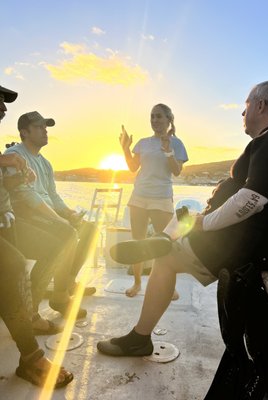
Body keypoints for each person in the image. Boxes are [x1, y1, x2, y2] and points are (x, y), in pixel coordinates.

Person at [97, 80, 268, 357]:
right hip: (244, 235)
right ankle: (164, 238)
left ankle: (139, 338)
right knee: (184, 215)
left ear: (261, 105)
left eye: (246, 106)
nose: (243, 114)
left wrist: (207, 223)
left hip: (242, 242)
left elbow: (253, 199)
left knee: (166, 259)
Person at [0, 84, 73, 387]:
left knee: (64, 239)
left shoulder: (38, 162)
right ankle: (31, 357)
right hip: (16, 220)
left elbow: (28, 191)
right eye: (0, 100)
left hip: (6, 221)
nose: (4, 107)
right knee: (14, 266)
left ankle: (52, 299)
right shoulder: (13, 153)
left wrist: (15, 179)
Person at [4, 111, 98, 316]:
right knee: (67, 234)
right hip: (25, 216)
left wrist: (68, 212)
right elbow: (26, 197)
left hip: (45, 213)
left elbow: (52, 195)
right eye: (39, 127)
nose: (45, 131)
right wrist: (58, 218)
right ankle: (52, 302)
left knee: (90, 229)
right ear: (24, 132)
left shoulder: (44, 163)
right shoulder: (15, 157)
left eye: (45, 127)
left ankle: (65, 285)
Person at [119, 103, 188, 297]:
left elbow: (176, 171)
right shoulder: (143, 143)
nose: (155, 120)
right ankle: (137, 283)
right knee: (137, 241)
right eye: (152, 117)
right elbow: (133, 167)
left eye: (159, 116)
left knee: (165, 244)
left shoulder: (177, 143)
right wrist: (125, 148)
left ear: (168, 120)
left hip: (161, 197)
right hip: (139, 196)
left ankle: (168, 286)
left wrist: (168, 150)